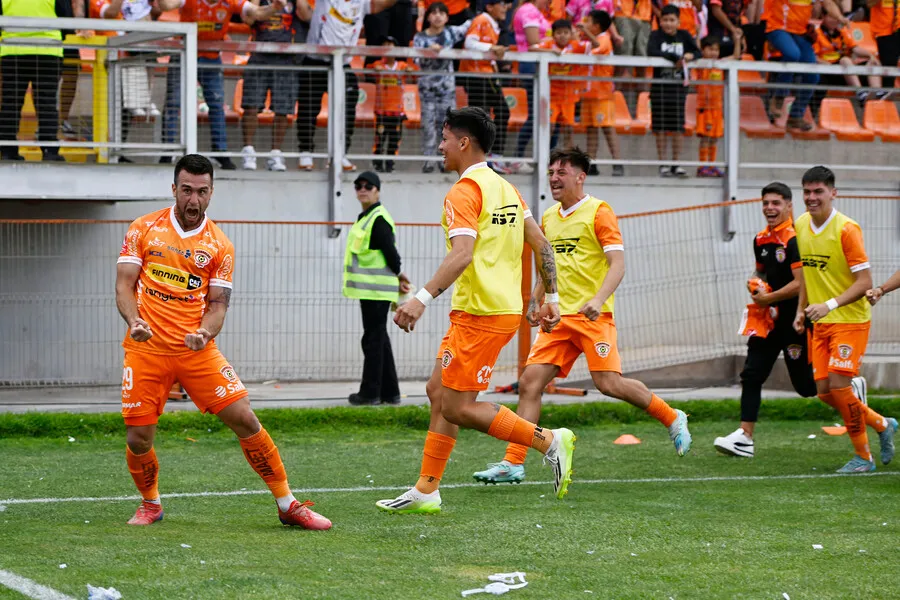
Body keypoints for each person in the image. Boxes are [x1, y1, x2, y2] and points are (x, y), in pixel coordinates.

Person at [376, 107, 575, 514]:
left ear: (464, 142)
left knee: (457, 406)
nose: (440, 146)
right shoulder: (506, 188)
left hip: (482, 313)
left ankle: (549, 441)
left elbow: (462, 254)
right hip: (485, 310)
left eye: (445, 138)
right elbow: (542, 245)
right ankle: (427, 489)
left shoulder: (463, 192)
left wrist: (420, 298)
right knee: (438, 392)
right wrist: (550, 299)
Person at [115, 154, 331, 529]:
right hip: (146, 349)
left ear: (211, 193)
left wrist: (204, 333)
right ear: (174, 190)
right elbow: (124, 284)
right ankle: (150, 504)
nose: (193, 200)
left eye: (201, 191)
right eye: (186, 190)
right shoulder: (143, 228)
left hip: (196, 351)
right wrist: (134, 320)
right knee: (138, 438)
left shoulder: (220, 245)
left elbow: (217, 304)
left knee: (245, 418)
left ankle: (288, 504)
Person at [472, 147, 691, 485]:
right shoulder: (547, 217)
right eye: (551, 172)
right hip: (558, 318)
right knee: (530, 383)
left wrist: (599, 299)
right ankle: (513, 462)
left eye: (561, 171)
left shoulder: (599, 212)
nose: (554, 178)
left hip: (592, 316)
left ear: (580, 176)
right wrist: (536, 299)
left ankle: (672, 416)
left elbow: (617, 263)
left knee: (609, 383)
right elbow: (548, 265)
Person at [792, 166, 897, 472]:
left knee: (839, 386)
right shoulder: (800, 224)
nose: (812, 198)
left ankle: (863, 458)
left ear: (833, 193)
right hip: (821, 322)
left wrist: (829, 304)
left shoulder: (847, 229)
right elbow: (807, 277)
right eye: (807, 192)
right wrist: (802, 309)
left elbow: (864, 281)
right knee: (824, 393)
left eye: (818, 192)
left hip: (850, 319)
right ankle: (882, 423)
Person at [714, 182, 819, 457]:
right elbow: (760, 273)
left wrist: (768, 299)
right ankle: (745, 437)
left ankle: (848, 385)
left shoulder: (795, 239)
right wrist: (755, 284)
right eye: (766, 203)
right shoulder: (761, 239)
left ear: (788, 205)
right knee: (751, 374)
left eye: (776, 203)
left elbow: (800, 284)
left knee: (806, 387)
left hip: (795, 321)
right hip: (767, 321)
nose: (770, 208)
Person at [294, 0, 398, 172]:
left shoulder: (362, 3)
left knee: (348, 108)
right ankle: (305, 152)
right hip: (316, 60)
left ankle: (340, 153)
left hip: (342, 63)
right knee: (308, 107)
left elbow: (385, 3)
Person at [342, 171, 411, 405]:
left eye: (368, 186)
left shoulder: (378, 218)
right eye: (358, 186)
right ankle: (390, 393)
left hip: (376, 290)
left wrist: (400, 274)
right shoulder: (367, 216)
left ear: (377, 190)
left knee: (372, 339)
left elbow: (392, 255)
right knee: (379, 338)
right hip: (371, 290)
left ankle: (370, 393)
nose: (362, 189)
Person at [158, 0, 239, 170]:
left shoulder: (230, 2)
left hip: (211, 57)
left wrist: (274, 7)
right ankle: (168, 150)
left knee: (217, 105)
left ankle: (220, 151)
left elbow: (254, 13)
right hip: (183, 53)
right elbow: (165, 6)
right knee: (173, 102)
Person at [0, 0, 73, 162]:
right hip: (47, 50)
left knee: (10, 103)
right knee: (46, 104)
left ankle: (7, 150)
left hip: (12, 50)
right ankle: (49, 151)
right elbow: (67, 19)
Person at [762, 0, 847, 132]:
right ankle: (779, 96)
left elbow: (828, 3)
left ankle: (795, 116)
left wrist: (841, 18)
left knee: (813, 76)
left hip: (800, 32)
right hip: (778, 28)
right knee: (793, 54)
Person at [239, 0, 296, 172]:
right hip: (259, 55)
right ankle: (248, 151)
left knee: (282, 109)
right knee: (251, 105)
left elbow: (306, 15)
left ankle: (275, 153)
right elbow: (249, 17)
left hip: (285, 57)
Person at [413, 2, 470, 174]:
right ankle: (428, 161)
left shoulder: (451, 32)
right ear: (428, 16)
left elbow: (470, 24)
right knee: (428, 125)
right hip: (427, 90)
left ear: (447, 17)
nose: (438, 16)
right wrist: (429, 51)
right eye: (434, 12)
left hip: (446, 90)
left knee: (447, 127)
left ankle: (445, 161)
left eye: (442, 13)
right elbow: (416, 61)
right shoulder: (420, 38)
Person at [459, 0, 513, 174]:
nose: (505, 8)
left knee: (492, 114)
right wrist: (492, 47)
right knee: (483, 116)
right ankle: (482, 158)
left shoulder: (492, 24)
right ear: (490, 6)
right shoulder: (481, 20)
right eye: (502, 4)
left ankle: (492, 157)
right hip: (476, 76)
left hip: (486, 75)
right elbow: (469, 42)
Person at [647, 5, 699, 178]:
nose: (668, 24)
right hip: (659, 90)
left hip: (678, 90)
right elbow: (651, 51)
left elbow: (697, 52)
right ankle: (662, 164)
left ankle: (676, 164)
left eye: (672, 20)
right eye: (665, 20)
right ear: (660, 21)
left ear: (678, 21)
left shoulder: (684, 36)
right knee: (660, 128)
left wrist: (690, 55)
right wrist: (674, 58)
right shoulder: (655, 35)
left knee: (677, 128)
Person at [810, 13, 884, 118]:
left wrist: (870, 55)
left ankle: (876, 93)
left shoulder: (842, 32)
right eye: (832, 17)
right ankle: (860, 93)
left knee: (873, 62)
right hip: (829, 71)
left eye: (836, 17)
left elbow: (855, 48)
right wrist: (829, 66)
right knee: (845, 60)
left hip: (847, 72)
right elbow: (814, 57)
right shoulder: (817, 34)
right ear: (823, 17)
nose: (835, 20)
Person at [578, 10, 623, 176]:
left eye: (588, 21)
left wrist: (585, 32)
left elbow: (598, 47)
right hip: (588, 93)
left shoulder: (604, 38)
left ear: (596, 26)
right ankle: (591, 163)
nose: (585, 23)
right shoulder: (588, 40)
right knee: (590, 129)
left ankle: (617, 163)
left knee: (607, 128)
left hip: (602, 94)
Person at [538, 20, 594, 151]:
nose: (562, 36)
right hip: (550, 97)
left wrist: (585, 31)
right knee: (549, 128)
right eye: (558, 33)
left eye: (565, 32)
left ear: (570, 34)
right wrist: (550, 53)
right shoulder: (548, 45)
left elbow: (595, 44)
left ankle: (567, 160)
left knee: (568, 130)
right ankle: (544, 160)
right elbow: (530, 48)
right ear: (553, 35)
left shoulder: (575, 46)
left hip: (569, 98)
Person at [511, 0, 552, 170]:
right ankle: (518, 157)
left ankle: (548, 159)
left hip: (542, 65)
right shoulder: (529, 10)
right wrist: (557, 47)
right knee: (537, 114)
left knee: (548, 114)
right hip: (533, 65)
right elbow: (533, 43)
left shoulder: (537, 11)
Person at [694, 35, 739, 178]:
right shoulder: (701, 65)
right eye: (710, 49)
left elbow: (736, 56)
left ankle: (712, 165)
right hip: (705, 108)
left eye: (716, 50)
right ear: (703, 50)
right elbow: (696, 49)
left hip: (717, 108)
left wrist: (737, 39)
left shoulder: (720, 64)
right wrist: (698, 33)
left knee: (714, 138)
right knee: (705, 137)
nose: (713, 52)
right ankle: (702, 166)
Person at [371, 37, 417, 173]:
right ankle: (378, 163)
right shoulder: (377, 64)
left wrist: (410, 70)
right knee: (380, 137)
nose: (388, 48)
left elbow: (413, 71)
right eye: (385, 45)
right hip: (381, 110)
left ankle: (390, 163)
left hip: (397, 111)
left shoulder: (402, 66)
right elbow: (369, 69)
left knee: (394, 139)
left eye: (391, 45)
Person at [870, 0, 900, 92]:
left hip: (898, 28)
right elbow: (869, 3)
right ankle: (886, 93)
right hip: (883, 31)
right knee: (889, 64)